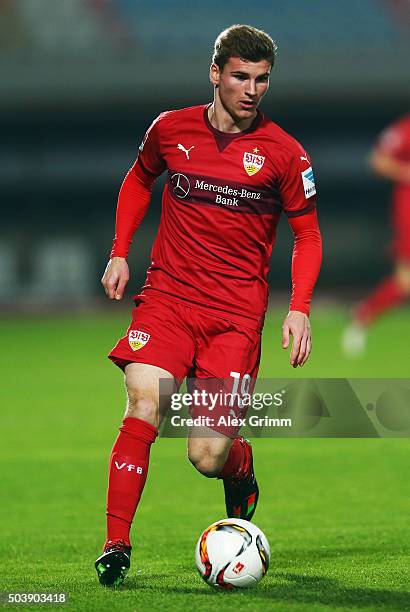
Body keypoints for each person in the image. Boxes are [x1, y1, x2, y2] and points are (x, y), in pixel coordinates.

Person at [95, 24, 322, 587]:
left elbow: (309, 235)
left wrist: (299, 307)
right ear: (216, 74)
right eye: (240, 77)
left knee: (207, 457)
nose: (251, 89)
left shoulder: (286, 155)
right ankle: (116, 545)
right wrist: (121, 252)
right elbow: (138, 180)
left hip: (235, 320)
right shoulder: (171, 130)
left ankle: (240, 471)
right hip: (167, 300)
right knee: (144, 403)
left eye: (262, 79)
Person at [342, 114, 410, 357]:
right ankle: (364, 315)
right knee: (405, 281)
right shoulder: (405, 128)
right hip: (408, 209)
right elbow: (377, 160)